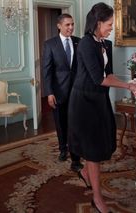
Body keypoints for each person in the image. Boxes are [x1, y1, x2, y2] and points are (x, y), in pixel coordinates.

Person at [67, 3, 136, 213]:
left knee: (99, 144)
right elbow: (99, 79)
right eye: (109, 24)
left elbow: (109, 75)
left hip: (99, 100)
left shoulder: (105, 44)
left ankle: (86, 174)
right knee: (93, 151)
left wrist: (130, 83)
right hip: (84, 102)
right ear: (98, 23)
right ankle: (97, 200)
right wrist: (128, 86)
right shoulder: (86, 44)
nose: (112, 28)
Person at [42, 13, 83, 172]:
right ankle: (63, 149)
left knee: (76, 124)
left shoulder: (79, 42)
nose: (71, 27)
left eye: (72, 24)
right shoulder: (50, 44)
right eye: (67, 25)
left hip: (77, 91)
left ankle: (76, 156)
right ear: (59, 26)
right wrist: (49, 92)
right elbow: (46, 71)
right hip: (58, 92)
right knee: (61, 123)